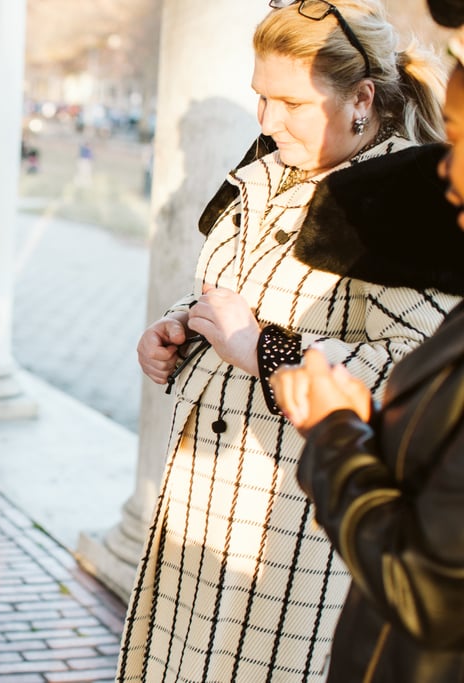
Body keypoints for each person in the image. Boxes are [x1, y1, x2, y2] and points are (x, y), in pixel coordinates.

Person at [117, 2, 462, 681]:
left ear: (361, 98)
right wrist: (185, 324)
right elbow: (241, 296)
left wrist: (266, 351)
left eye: (290, 102)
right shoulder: (266, 172)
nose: (267, 121)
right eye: (260, 96)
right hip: (200, 502)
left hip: (295, 527)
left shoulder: (407, 201)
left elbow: (416, 376)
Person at [268, 6, 464, 680]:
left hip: (301, 546)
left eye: (463, 140)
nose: (446, 170)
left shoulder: (391, 212)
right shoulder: (264, 176)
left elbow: (429, 588)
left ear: (361, 99)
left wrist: (333, 429)